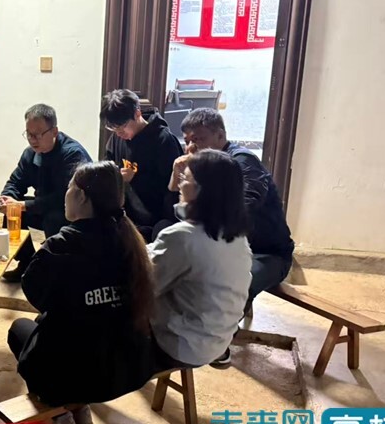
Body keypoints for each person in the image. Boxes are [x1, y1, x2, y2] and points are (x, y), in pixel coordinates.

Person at [7, 161, 155, 424]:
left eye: (69, 187)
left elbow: (37, 296)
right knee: (60, 323)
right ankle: (81, 408)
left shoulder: (60, 247)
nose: (66, 194)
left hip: (79, 376)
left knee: (19, 330)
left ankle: (60, 411)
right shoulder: (130, 241)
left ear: (82, 197)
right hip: (128, 369)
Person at [169, 108, 294, 367]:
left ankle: (219, 342)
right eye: (188, 140)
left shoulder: (241, 161)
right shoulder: (203, 166)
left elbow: (246, 204)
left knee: (235, 280)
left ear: (220, 135)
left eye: (199, 139)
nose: (192, 147)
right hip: (228, 244)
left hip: (267, 252)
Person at [148, 149, 252, 373]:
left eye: (185, 178)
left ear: (202, 190)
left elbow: (145, 287)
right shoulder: (236, 236)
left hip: (180, 345)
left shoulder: (182, 237)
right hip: (218, 341)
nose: (179, 184)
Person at [0, 104, 92, 281]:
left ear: (54, 131)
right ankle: (27, 264)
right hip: (44, 206)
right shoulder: (30, 154)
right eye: (28, 134)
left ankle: (57, 269)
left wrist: (24, 205)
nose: (32, 140)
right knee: (8, 214)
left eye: (38, 134)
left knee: (53, 218)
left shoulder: (72, 154)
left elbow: (65, 197)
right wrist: (7, 200)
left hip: (73, 213)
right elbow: (16, 181)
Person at [101, 89, 183, 241]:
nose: (118, 133)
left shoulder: (163, 140)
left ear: (137, 113)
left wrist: (136, 178)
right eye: (113, 128)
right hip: (125, 217)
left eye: (122, 126)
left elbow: (171, 188)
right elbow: (108, 164)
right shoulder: (117, 138)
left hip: (153, 221)